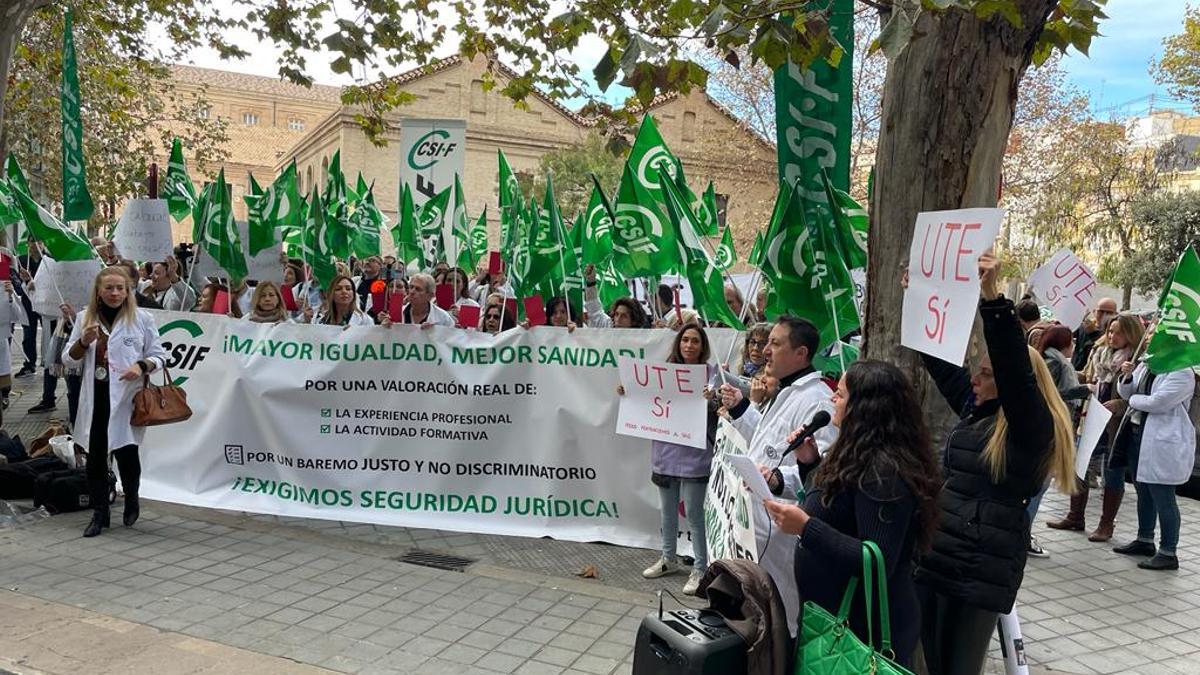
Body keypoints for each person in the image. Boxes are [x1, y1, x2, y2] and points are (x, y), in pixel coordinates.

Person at [913, 253, 1076, 675]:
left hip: (979, 571)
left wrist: (993, 298)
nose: (975, 378)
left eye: (986, 373)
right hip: (940, 557)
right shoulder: (979, 411)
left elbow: (1014, 367)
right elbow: (943, 367)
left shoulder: (1028, 427)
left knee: (959, 667)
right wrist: (919, 297)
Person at [764, 360, 940, 668]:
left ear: (864, 407)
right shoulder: (856, 451)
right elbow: (839, 508)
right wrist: (809, 463)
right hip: (832, 622)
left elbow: (877, 559)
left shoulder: (884, 471)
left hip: (862, 632)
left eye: (841, 394)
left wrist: (806, 528)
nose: (833, 398)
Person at [717, 316, 838, 636]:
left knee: (779, 626)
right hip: (754, 533)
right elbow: (769, 443)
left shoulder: (817, 401)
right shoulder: (786, 391)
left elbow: (821, 472)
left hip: (779, 536)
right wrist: (743, 410)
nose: (765, 350)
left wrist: (778, 480)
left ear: (801, 353)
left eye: (775, 343)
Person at [62, 267, 168, 538]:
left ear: (128, 290)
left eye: (120, 288)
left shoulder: (142, 318)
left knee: (127, 455)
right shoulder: (85, 318)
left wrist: (141, 365)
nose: (115, 293)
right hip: (96, 398)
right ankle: (100, 513)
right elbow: (68, 359)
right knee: (96, 458)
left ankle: (131, 498)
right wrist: (83, 343)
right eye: (109, 288)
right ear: (98, 290)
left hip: (126, 399)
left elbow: (160, 356)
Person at [627, 324, 719, 596]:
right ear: (678, 343)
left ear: (703, 346)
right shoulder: (662, 374)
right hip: (666, 453)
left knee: (694, 514)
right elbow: (645, 402)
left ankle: (701, 568)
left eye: (695, 341)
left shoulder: (712, 375)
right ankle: (668, 558)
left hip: (695, 455)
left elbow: (722, 410)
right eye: (685, 340)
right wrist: (629, 392)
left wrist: (711, 401)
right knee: (666, 512)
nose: (689, 345)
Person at [1052, 313, 1145, 540]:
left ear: (1131, 335)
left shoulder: (1138, 360)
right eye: (1110, 331)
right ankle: (1075, 516)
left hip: (1115, 424)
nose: (1112, 336)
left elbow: (1141, 392)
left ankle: (1106, 524)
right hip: (1090, 417)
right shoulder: (1099, 353)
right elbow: (1088, 375)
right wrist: (1072, 375)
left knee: (1111, 472)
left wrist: (1121, 404)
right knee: (1080, 464)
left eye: (1118, 332)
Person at [1109, 348, 1196, 570]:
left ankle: (1168, 551)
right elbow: (1127, 392)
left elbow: (1159, 402)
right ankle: (1144, 539)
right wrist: (1127, 377)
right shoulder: (1148, 364)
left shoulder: (1182, 372)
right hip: (1138, 435)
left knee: (1163, 496)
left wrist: (1134, 400)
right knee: (1143, 491)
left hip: (1162, 440)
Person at [305, 275, 372, 327]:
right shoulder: (320, 320)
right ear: (331, 294)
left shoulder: (364, 320)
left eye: (348, 289)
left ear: (353, 294)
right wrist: (307, 323)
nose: (344, 291)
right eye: (338, 289)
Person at [1073, 297, 1118, 371]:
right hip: (1076, 369)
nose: (1104, 315)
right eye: (1101, 311)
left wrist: (1094, 333)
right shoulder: (1083, 327)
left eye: (1109, 313)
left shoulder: (1113, 333)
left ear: (1115, 314)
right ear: (1094, 312)